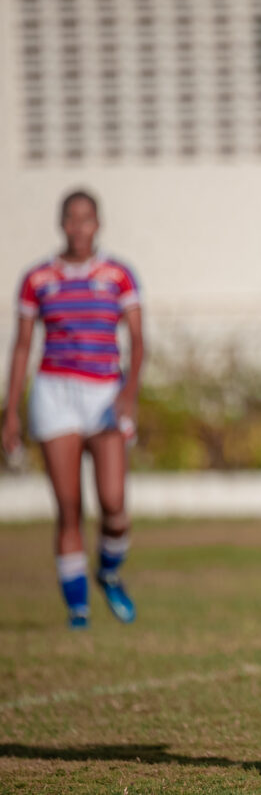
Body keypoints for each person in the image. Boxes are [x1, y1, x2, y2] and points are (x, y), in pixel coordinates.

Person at [2, 190, 144, 630]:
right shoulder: (38, 279)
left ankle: (109, 571)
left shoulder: (118, 275)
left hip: (104, 393)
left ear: (98, 224)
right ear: (61, 224)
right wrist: (11, 413)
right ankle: (77, 611)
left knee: (114, 503)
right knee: (68, 508)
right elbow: (23, 346)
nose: (79, 227)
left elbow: (138, 342)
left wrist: (128, 394)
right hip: (54, 392)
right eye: (71, 219)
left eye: (87, 219)